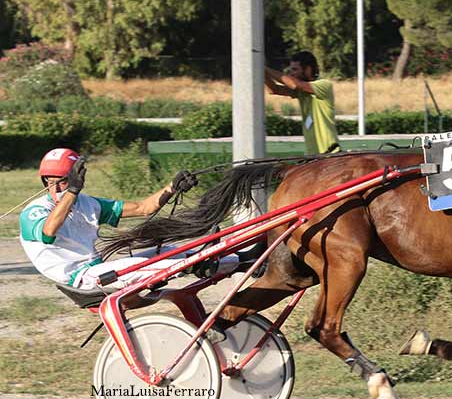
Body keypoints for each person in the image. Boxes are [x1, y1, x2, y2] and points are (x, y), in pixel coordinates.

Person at [19, 148, 240, 291]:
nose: (56, 187)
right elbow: (48, 233)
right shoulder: (34, 211)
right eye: (50, 181)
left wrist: (172, 187)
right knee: (144, 265)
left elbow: (144, 208)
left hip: (98, 268)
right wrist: (72, 191)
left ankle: (234, 259)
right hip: (79, 278)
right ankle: (216, 264)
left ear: (77, 179)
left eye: (63, 182)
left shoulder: (88, 204)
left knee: (167, 250)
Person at [264, 51, 340, 155]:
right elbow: (273, 89)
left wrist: (265, 68)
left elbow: (294, 84)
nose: (291, 73)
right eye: (291, 69)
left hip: (330, 154)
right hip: (312, 156)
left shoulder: (324, 85)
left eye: (295, 69)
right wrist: (262, 72)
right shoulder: (301, 92)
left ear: (308, 69)